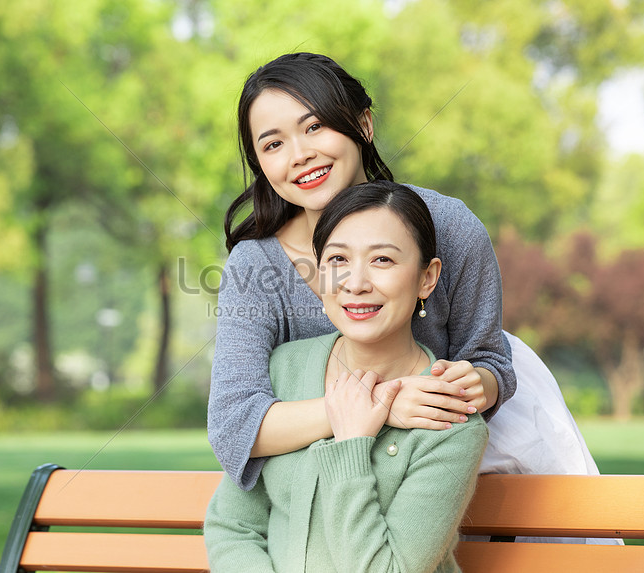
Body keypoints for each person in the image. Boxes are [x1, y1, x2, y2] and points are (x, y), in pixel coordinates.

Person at [208, 53, 602, 530]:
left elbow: (491, 361)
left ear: (363, 124)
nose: (299, 155)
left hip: (451, 471)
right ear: (260, 164)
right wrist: (384, 404)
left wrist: (476, 385)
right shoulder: (256, 266)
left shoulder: (448, 226)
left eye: (314, 127)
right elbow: (236, 426)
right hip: (324, 499)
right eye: (273, 144)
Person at [204, 180, 488, 572]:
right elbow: (233, 526)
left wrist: (352, 445)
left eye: (383, 260)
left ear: (427, 278)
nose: (356, 283)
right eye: (338, 260)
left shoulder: (449, 420)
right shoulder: (285, 370)